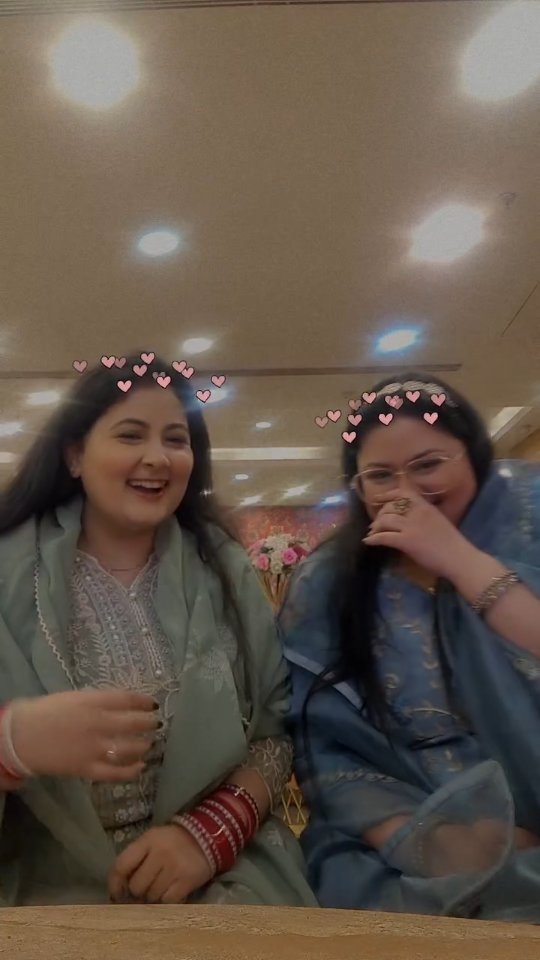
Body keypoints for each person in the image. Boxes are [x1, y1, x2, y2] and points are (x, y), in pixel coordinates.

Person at [0, 354, 317, 908]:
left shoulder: (227, 573)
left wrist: (210, 834)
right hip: (42, 889)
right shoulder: (7, 574)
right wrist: (13, 742)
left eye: (176, 439)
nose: (157, 457)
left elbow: (275, 734)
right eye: (130, 435)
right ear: (74, 455)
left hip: (218, 880)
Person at [280, 372, 540, 922]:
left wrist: (461, 562)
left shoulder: (528, 521)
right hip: (401, 842)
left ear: (474, 458)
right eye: (380, 475)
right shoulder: (327, 584)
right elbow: (325, 749)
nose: (405, 491)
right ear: (358, 489)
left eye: (428, 465)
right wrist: (433, 842)